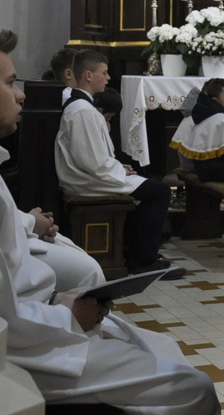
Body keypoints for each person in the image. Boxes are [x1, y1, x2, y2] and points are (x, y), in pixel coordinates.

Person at [0, 27, 218, 415]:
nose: (21, 94)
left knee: (161, 347)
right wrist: (66, 313)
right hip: (30, 347)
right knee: (192, 388)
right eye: (11, 83)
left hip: (40, 321)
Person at [54, 50, 184, 279]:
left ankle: (136, 252)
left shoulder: (84, 107)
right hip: (87, 182)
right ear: (88, 75)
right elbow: (93, 164)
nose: (108, 78)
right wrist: (117, 170)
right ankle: (143, 261)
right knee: (160, 192)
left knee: (152, 188)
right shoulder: (83, 110)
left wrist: (118, 168)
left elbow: (94, 157)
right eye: (104, 73)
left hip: (93, 176)